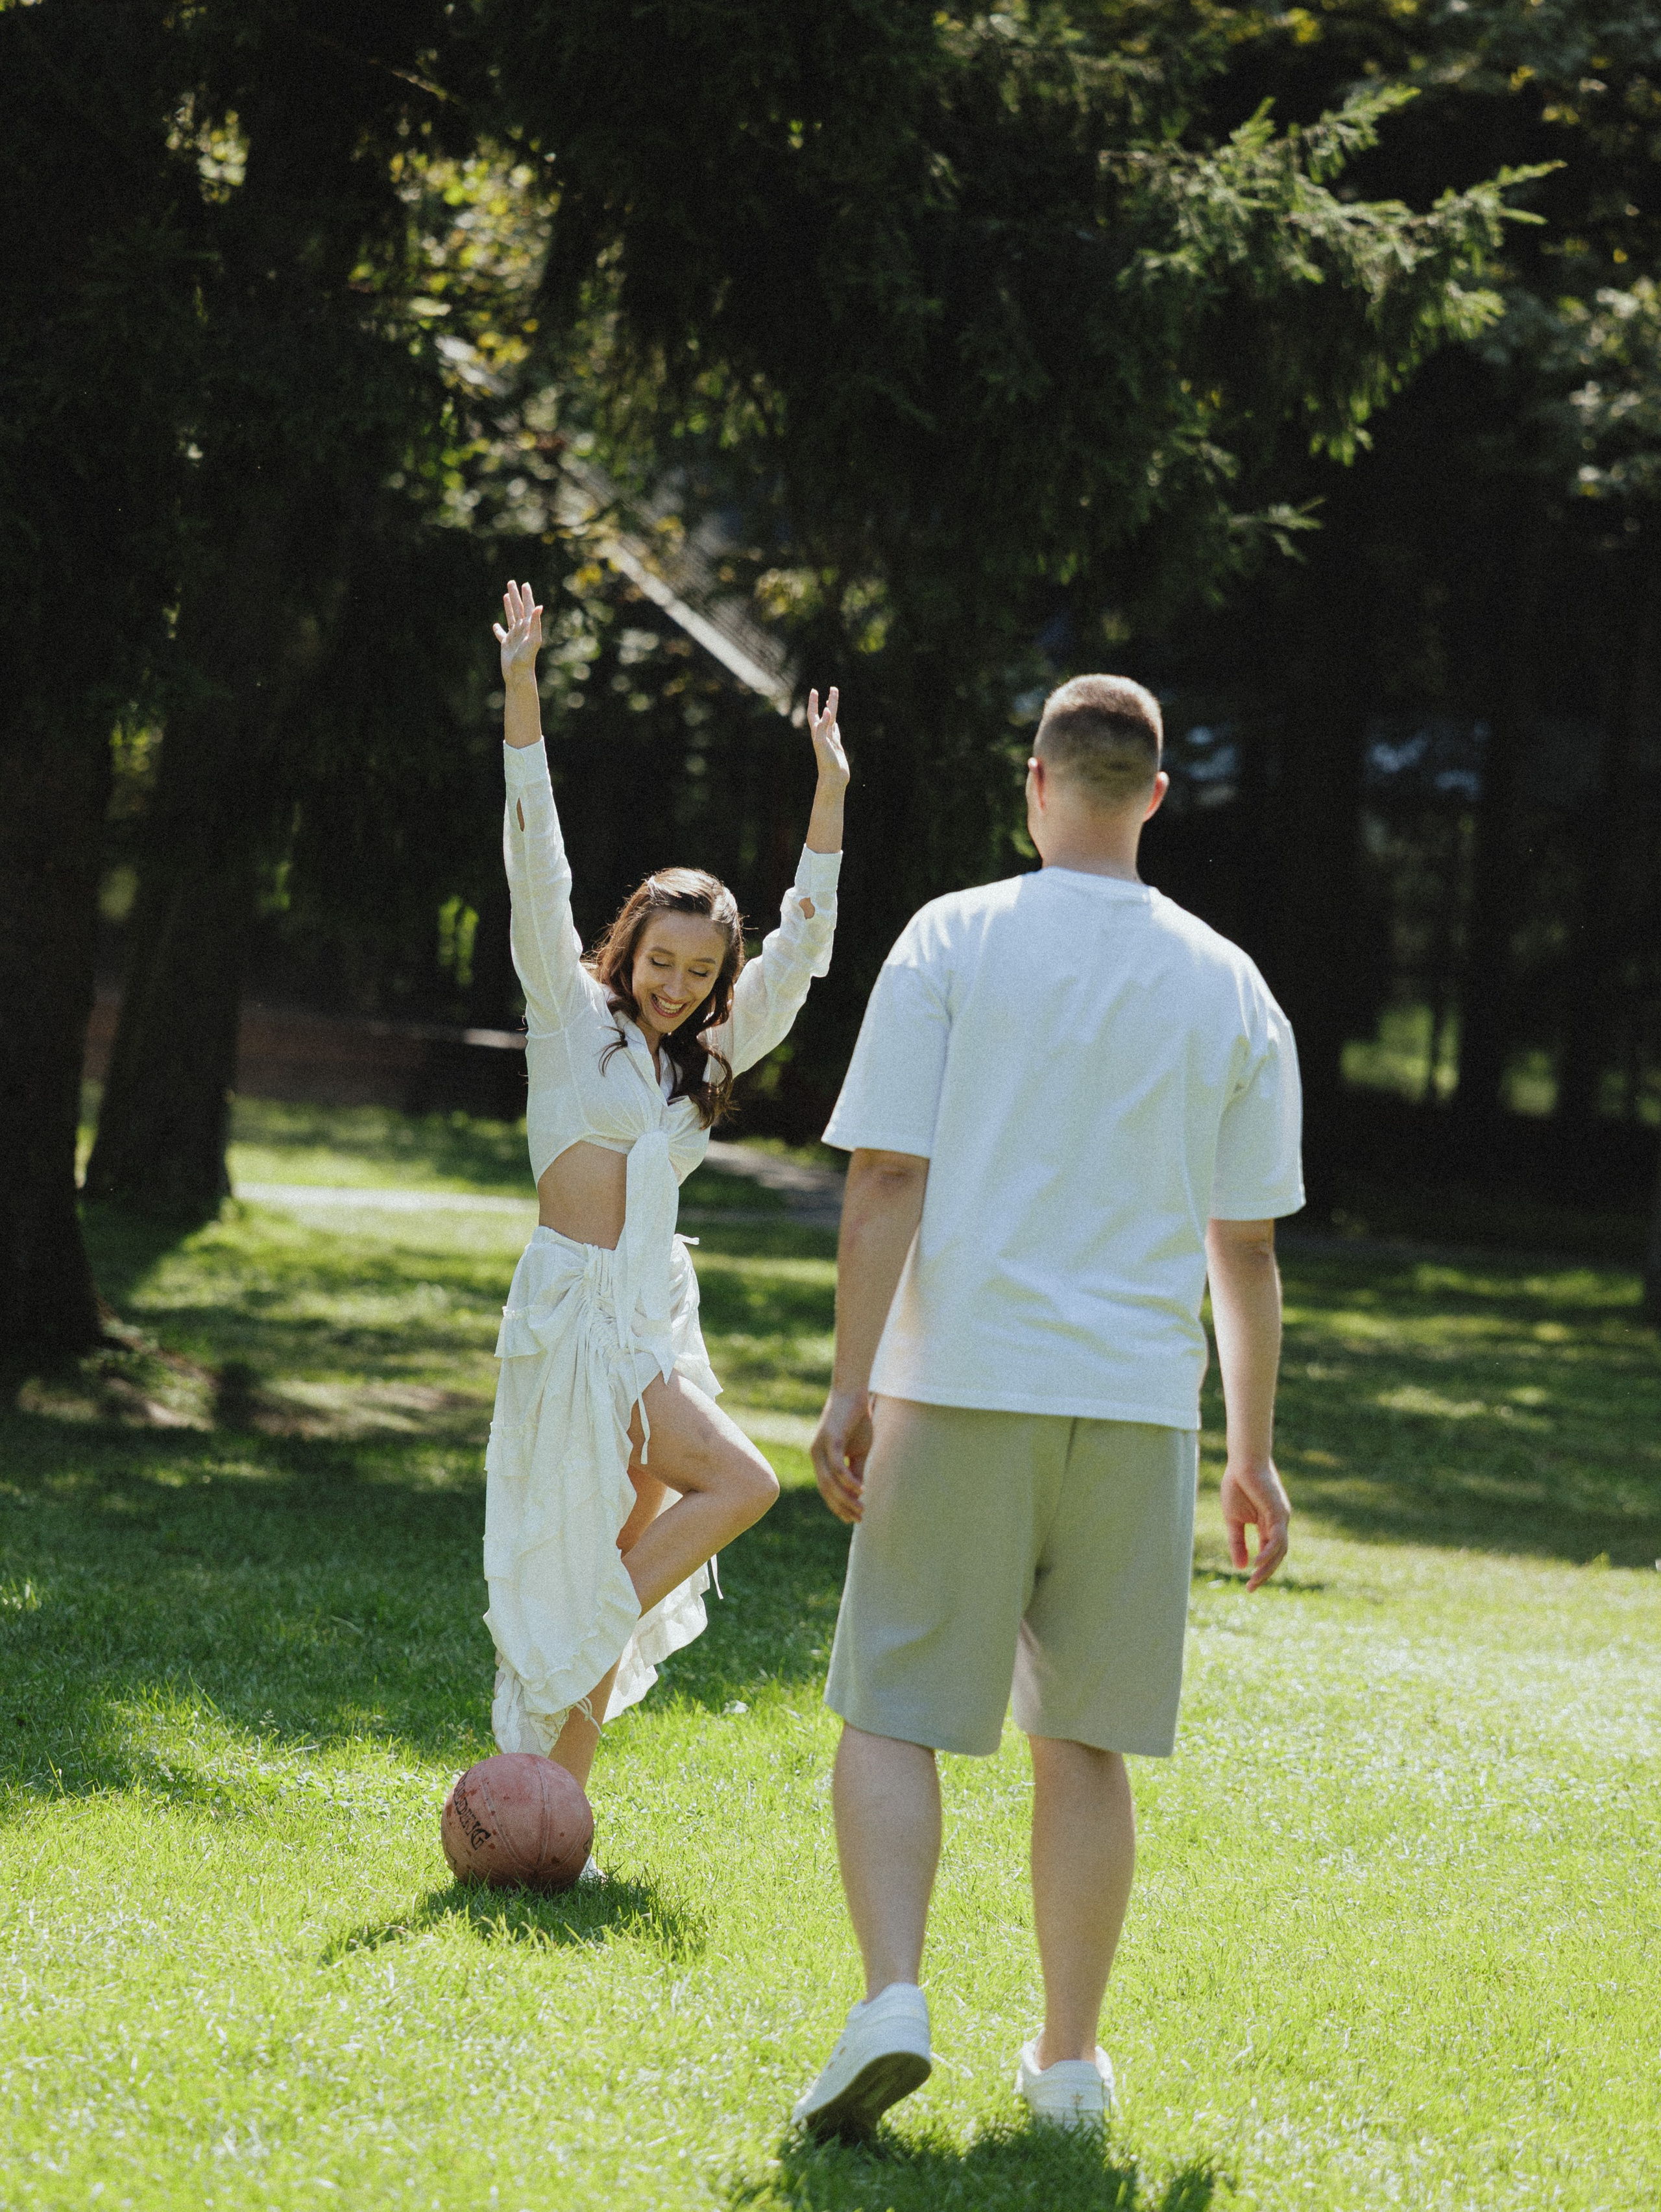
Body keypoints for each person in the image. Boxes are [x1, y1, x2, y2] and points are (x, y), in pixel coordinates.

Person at [792, 673, 1302, 2137]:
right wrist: (1249, 1453)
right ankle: (1066, 2066)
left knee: (891, 1710)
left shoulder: (951, 936)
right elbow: (1247, 1248)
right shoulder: (1226, 979)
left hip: (957, 1381)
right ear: (1151, 793)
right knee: (1081, 1740)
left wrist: (846, 1387)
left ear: (1032, 782)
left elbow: (886, 1176)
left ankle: (892, 1998)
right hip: (1136, 1407)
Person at [483, 580, 847, 1797]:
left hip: (647, 1317)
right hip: (573, 1313)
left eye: (701, 970)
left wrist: (828, 800)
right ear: (626, 946)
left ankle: (552, 1799)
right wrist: (523, 694)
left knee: (632, 1535)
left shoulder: (707, 1061)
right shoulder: (567, 1016)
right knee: (739, 1483)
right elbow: (540, 868)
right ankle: (580, 1635)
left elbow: (800, 956)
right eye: (661, 959)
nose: (678, 983)